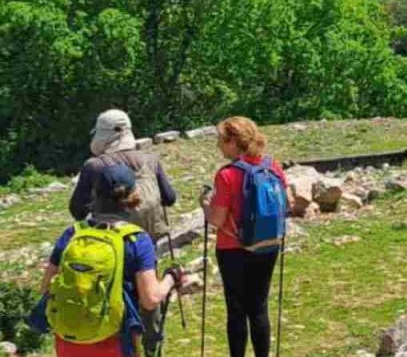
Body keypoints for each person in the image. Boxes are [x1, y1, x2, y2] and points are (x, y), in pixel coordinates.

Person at [39, 163, 183, 357]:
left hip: (68, 340)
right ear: (132, 197)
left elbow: (46, 288)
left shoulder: (73, 233)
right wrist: (171, 278)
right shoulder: (136, 239)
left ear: (95, 194)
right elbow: (151, 299)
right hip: (114, 340)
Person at [68, 109, 178, 357]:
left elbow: (76, 211)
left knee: (110, 302)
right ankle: (151, 346)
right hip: (146, 245)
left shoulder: (94, 166)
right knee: (148, 301)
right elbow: (169, 198)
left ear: (102, 135)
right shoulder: (150, 159)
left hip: (106, 251)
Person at [202, 117, 292, 357]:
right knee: (259, 307)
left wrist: (204, 204)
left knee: (236, 310)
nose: (218, 146)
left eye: (221, 140)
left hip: (233, 248)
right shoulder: (272, 166)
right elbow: (287, 204)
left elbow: (217, 220)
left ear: (233, 142)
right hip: (268, 244)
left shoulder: (227, 175)